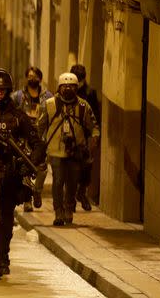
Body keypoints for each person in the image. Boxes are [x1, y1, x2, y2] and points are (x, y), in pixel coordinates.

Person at [0, 69, 43, 279]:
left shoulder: (18, 117)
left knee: (5, 220)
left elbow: (38, 145)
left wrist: (28, 164)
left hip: (8, 175)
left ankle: (2, 257)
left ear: (8, 91)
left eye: (2, 90)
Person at [37, 73, 99, 226]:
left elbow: (93, 126)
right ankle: (58, 211)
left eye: (71, 86)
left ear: (77, 88)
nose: (68, 88)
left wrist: (94, 139)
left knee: (72, 182)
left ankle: (69, 209)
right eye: (65, 86)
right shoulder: (49, 104)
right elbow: (41, 126)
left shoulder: (83, 106)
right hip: (56, 150)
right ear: (59, 87)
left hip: (76, 150)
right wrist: (38, 144)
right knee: (58, 181)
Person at [12, 66, 54, 211]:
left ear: (40, 78)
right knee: (25, 165)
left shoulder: (48, 97)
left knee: (42, 167)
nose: (32, 79)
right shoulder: (18, 96)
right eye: (29, 76)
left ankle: (37, 191)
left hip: (40, 137)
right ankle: (27, 199)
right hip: (24, 138)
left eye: (35, 76)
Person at [70, 64, 101, 211]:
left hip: (85, 136)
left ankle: (81, 193)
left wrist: (95, 136)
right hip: (69, 135)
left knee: (86, 167)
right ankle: (70, 201)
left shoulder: (90, 93)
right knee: (68, 168)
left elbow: (95, 116)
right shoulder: (65, 91)